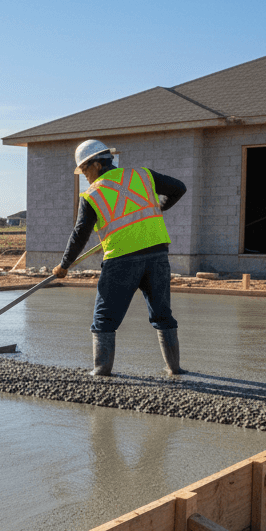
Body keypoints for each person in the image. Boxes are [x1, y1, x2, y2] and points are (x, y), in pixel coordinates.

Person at [53, 140, 187, 377]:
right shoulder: (142, 176)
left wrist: (64, 266)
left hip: (122, 259)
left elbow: (80, 234)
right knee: (162, 313)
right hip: (157, 255)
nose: (84, 176)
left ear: (96, 164)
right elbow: (179, 188)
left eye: (84, 170)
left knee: (104, 318)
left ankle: (101, 371)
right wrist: (159, 207)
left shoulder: (93, 194)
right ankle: (175, 369)